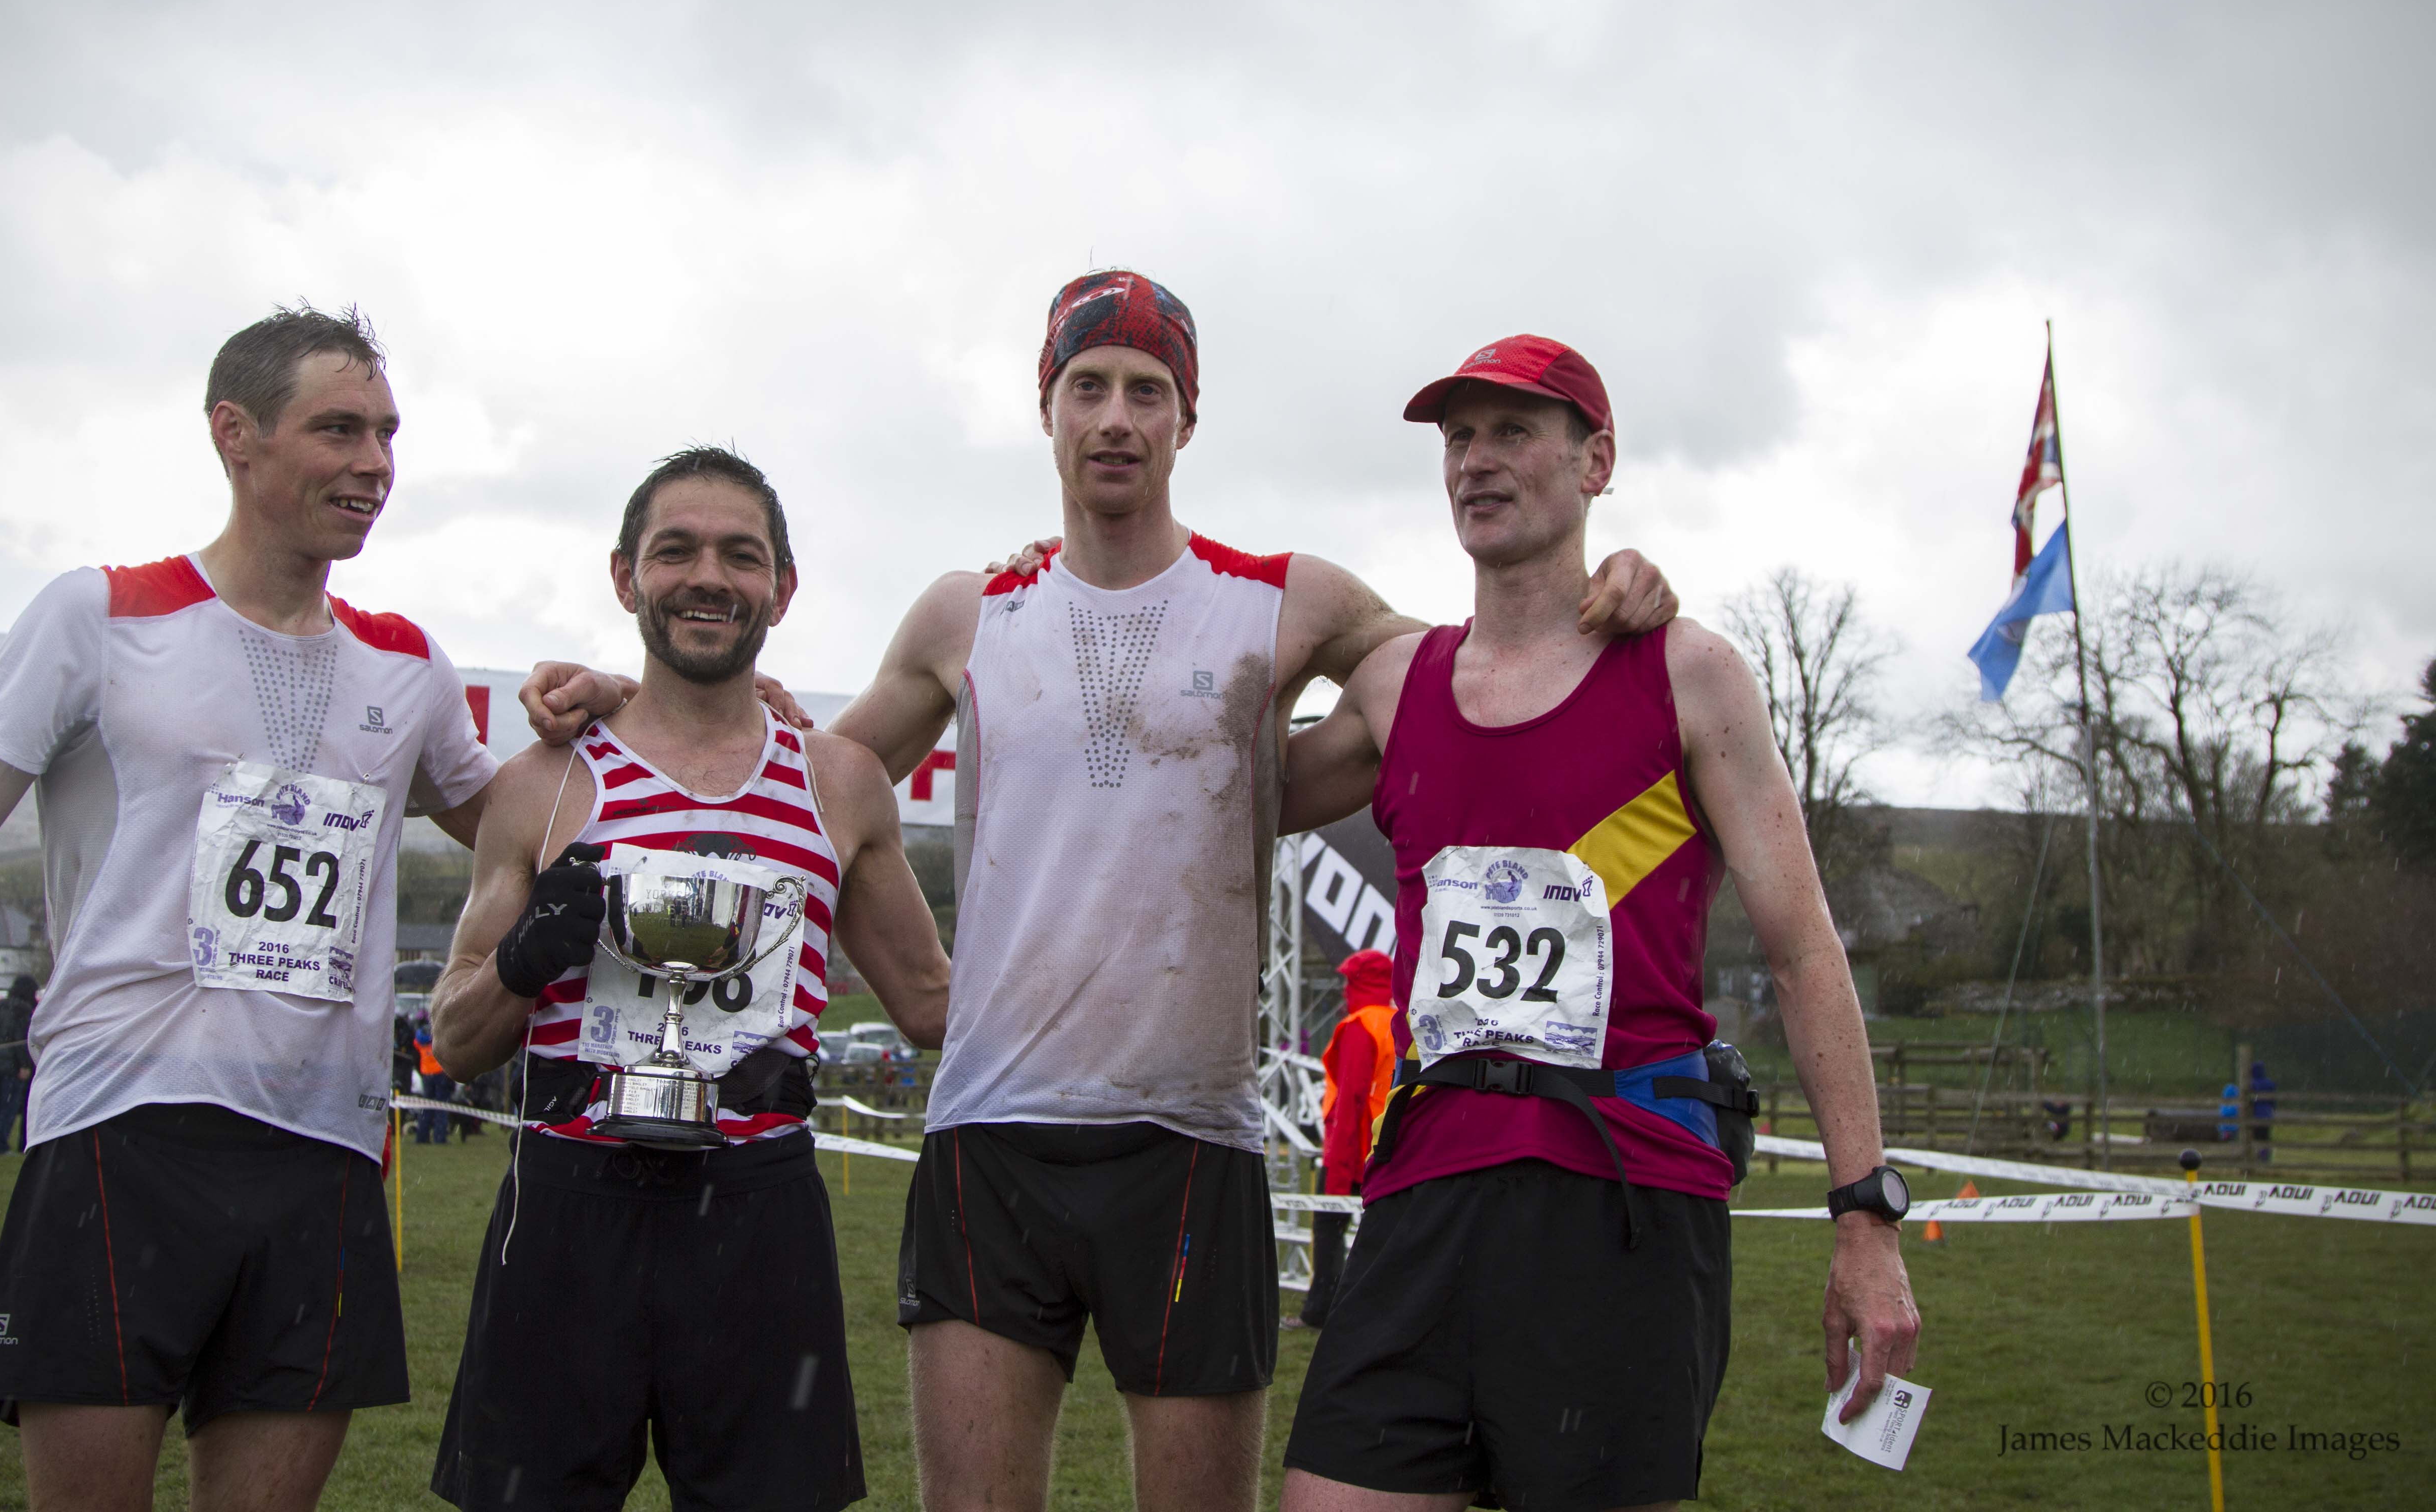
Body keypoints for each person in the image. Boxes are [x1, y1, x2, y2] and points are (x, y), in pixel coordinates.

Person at [525, 269, 1676, 1512]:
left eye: (1147, 390)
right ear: (1047, 409)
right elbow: (811, 783)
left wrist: (1607, 585)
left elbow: (1480, 669)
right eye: (1089, 387)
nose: (1117, 416)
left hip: (1190, 1136)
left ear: (1187, 418)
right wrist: (633, 694)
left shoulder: (1287, 598)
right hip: (991, 1138)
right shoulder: (966, 613)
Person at [1275, 334, 1921, 1512]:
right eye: (1457, 437)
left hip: (1621, 1197)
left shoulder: (1688, 674)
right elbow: (1223, 790)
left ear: (1596, 461)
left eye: (1513, 430)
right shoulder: (1393, 685)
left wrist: (1864, 1216)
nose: (1475, 459)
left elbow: (1801, 945)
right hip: (1423, 1189)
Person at [0, 307, 500, 1512]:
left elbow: (512, 814)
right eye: (338, 428)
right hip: (123, 1127)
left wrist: (642, 702)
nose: (375, 463)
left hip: (321, 1150)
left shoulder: (406, 663)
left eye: (386, 432)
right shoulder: (99, 615)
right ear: (237, 437)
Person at [426, 446, 952, 1512]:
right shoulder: (543, 783)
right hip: (568, 1208)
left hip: (758, 1216)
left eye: (740, 556)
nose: (708, 577)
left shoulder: (840, 782)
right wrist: (528, 959)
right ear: (626, 578)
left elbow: (936, 1005)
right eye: (677, 552)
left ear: (782, 589)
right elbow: (456, 1035)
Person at [1289, 948, 1395, 1332]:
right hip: (1389, 1147)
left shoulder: (1359, 1026)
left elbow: (1351, 1099)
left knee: (1328, 1232)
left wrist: (1337, 1170)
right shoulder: (1400, 1023)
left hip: (1351, 1149)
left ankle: (1320, 1311)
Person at [0, 975, 38, 1155]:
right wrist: (24, 1065)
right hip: (12, 1065)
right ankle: (1, 1146)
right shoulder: (23, 1010)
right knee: (10, 1106)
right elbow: (21, 1038)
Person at [413, 1014, 454, 1144]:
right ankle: (440, 1137)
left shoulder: (420, 1041)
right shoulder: (438, 1037)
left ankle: (422, 1137)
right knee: (441, 1107)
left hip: (427, 1075)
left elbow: (415, 1043)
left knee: (426, 1107)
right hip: (440, 1073)